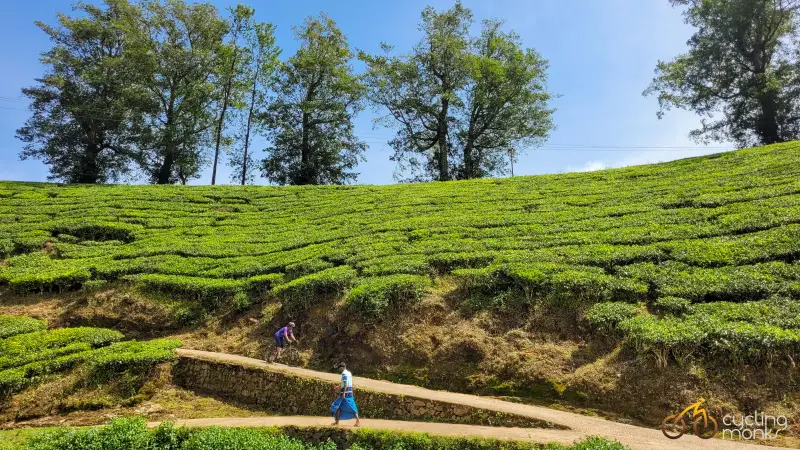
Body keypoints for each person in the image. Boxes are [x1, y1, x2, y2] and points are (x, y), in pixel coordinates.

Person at [330, 362, 360, 426]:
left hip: (345, 394)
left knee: (337, 406)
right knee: (350, 407)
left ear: (342, 367)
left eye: (339, 368)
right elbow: (344, 384)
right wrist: (339, 387)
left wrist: (343, 393)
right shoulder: (349, 373)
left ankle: (357, 421)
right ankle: (337, 422)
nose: (339, 369)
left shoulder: (344, 374)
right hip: (350, 392)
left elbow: (345, 384)